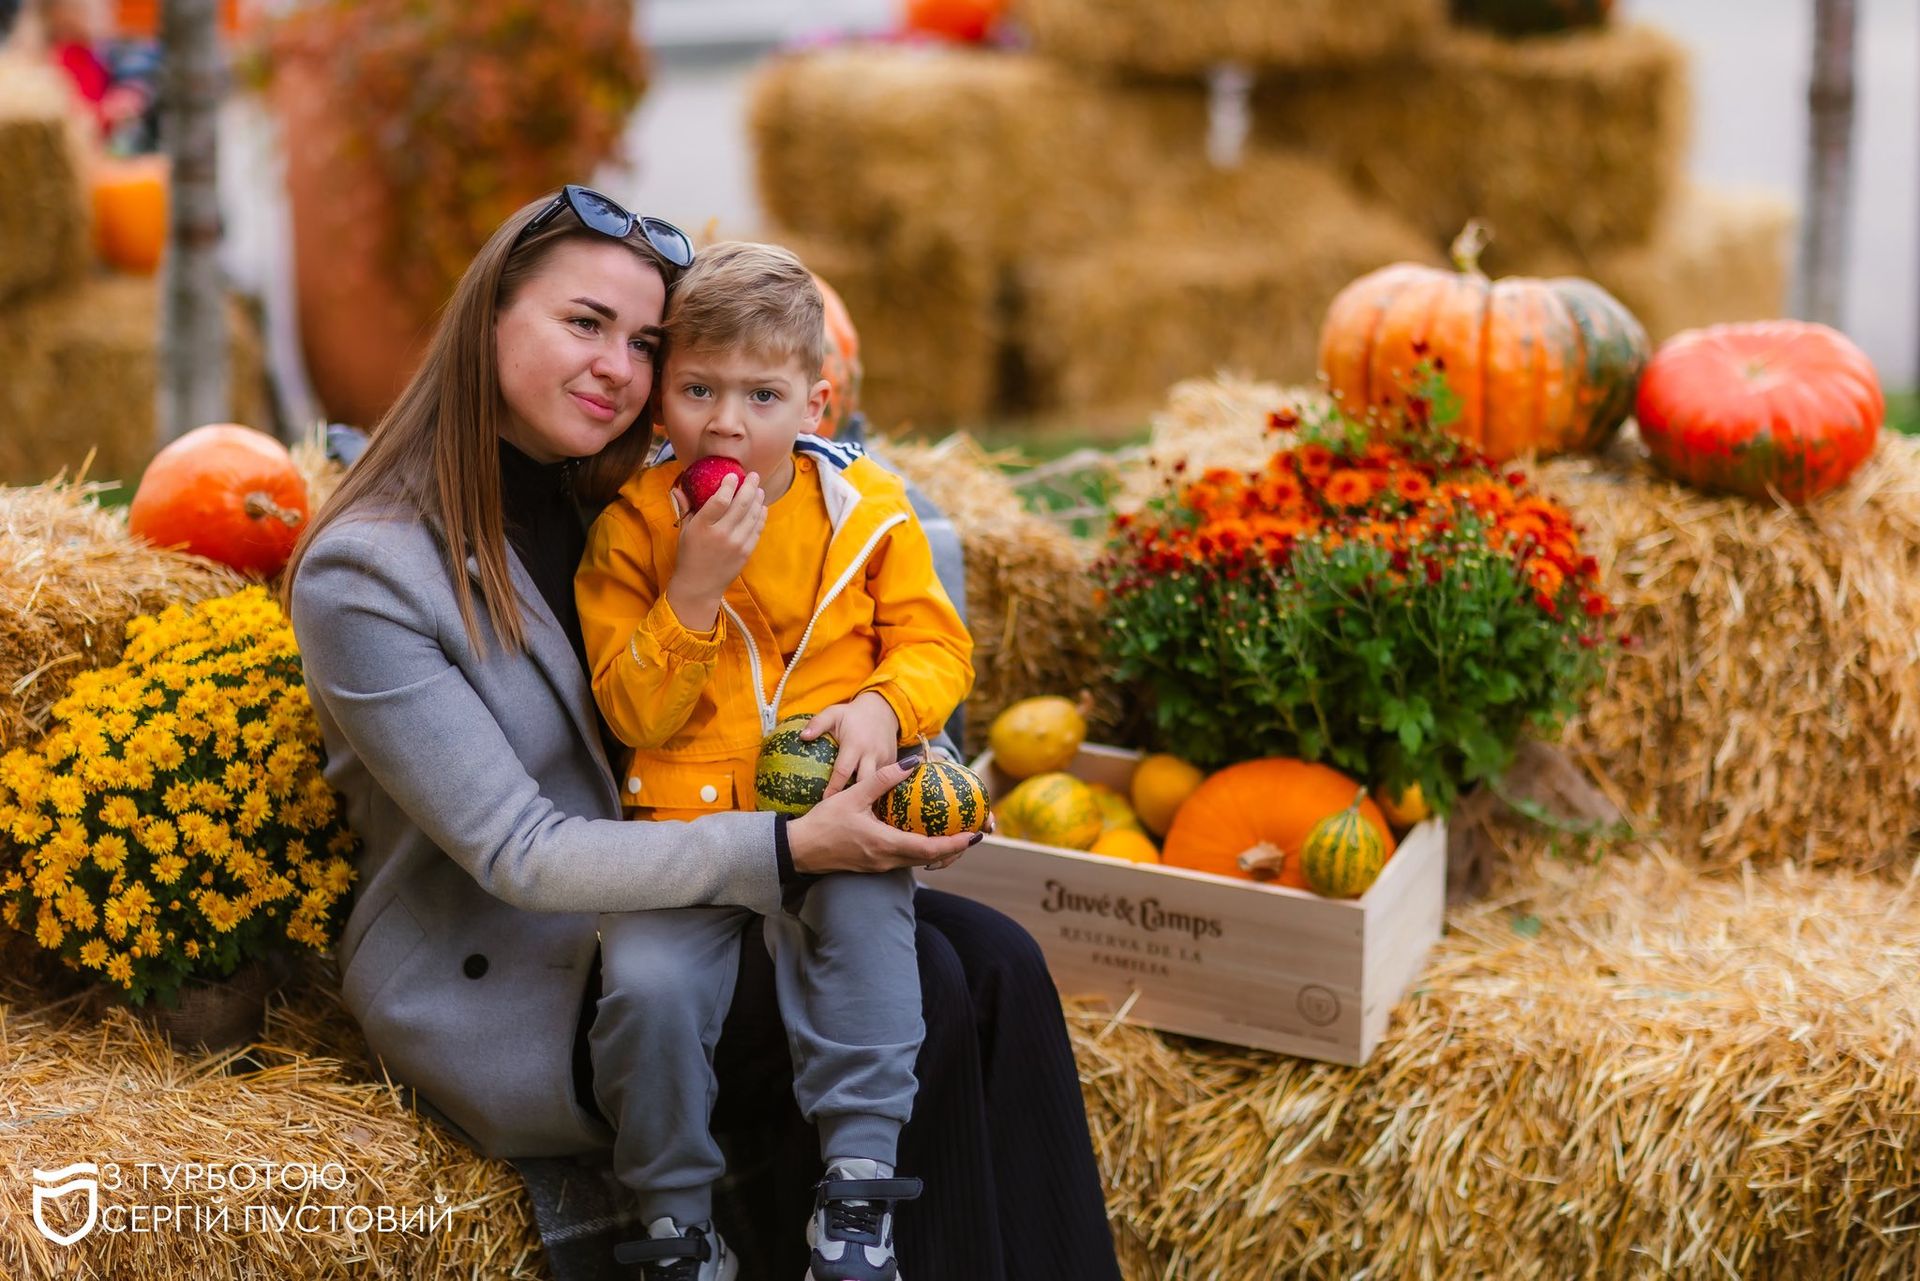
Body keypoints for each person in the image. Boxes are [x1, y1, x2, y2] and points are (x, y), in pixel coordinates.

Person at [284, 185, 1124, 1281]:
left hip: (700, 869)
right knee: (934, 981)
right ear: (487, 316)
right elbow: (523, 854)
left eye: (642, 342)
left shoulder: (635, 486)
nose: (618, 370)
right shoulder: (370, 574)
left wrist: (872, 726)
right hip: (541, 963)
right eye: (584, 324)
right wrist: (794, 849)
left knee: (1003, 959)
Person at [572, 241, 970, 1280]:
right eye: (698, 389)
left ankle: (858, 1192)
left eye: (762, 393)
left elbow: (937, 646)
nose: (725, 422)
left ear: (817, 403)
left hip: (836, 808)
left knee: (875, 942)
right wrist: (693, 588)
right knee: (647, 994)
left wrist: (886, 709)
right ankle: (673, 1218)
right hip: (689, 831)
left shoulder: (867, 513)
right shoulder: (633, 531)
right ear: (659, 400)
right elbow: (632, 708)